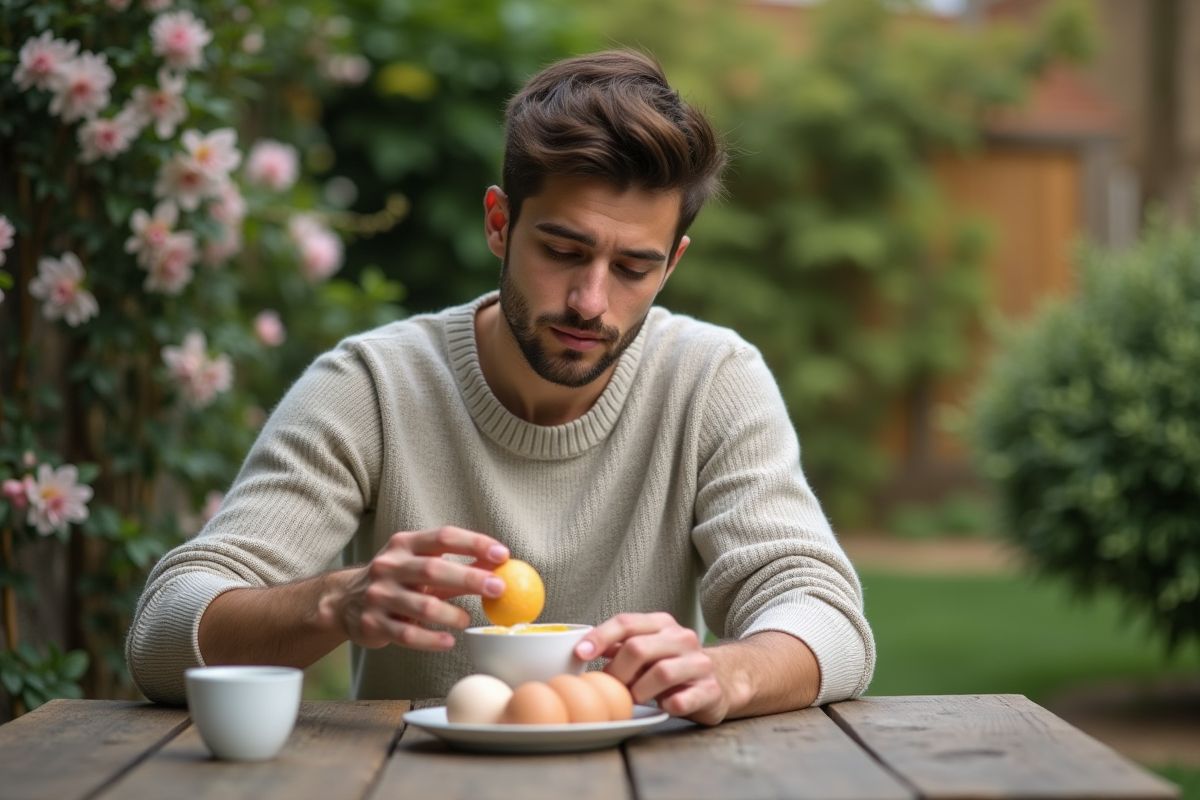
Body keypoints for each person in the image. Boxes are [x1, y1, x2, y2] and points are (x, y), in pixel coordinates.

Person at [126, 50, 874, 725]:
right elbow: (161, 638)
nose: (590, 300)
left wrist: (725, 671)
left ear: (672, 263)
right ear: (499, 222)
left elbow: (828, 619)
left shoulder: (712, 380)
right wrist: (335, 601)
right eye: (562, 249)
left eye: (632, 268)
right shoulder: (373, 386)